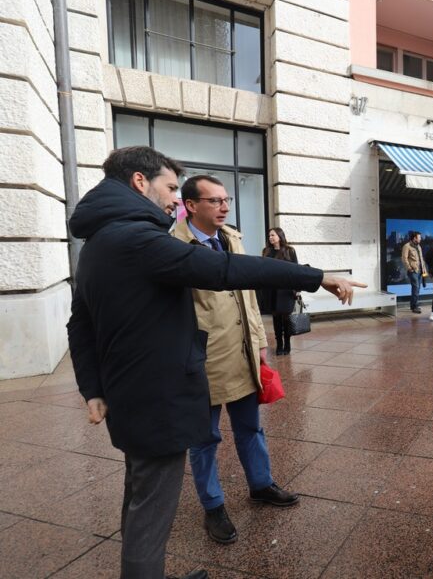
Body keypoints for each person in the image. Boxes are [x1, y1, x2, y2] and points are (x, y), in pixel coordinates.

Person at [66, 146, 365, 579]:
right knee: (151, 514)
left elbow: (80, 323)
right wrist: (318, 278)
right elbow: (225, 270)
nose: (173, 199)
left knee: (139, 501)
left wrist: (92, 387)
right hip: (157, 401)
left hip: (132, 396)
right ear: (138, 182)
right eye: (170, 188)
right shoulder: (137, 239)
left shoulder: (99, 242)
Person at [173, 175, 298, 547]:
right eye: (215, 201)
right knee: (205, 438)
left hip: (243, 353)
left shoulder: (234, 238)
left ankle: (261, 484)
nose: (225, 206)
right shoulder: (175, 247)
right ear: (192, 205)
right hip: (204, 360)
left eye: (226, 199)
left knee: (251, 428)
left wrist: (260, 342)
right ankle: (213, 505)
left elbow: (248, 298)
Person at [262, 227, 299, 354]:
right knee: (276, 318)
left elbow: (296, 270)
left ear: (279, 236)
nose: (270, 238)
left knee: (286, 318)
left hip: (286, 290)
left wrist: (297, 289)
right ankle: (279, 345)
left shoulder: (290, 251)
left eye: (272, 235)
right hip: (272, 290)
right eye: (269, 236)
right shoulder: (266, 251)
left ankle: (287, 344)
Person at [401, 231, 425, 313]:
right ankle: (415, 306)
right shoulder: (407, 246)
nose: (420, 239)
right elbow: (404, 258)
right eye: (419, 237)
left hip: (419, 270)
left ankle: (413, 304)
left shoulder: (419, 246)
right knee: (416, 288)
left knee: (417, 288)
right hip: (413, 271)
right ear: (414, 238)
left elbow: (421, 259)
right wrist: (409, 268)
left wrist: (424, 270)